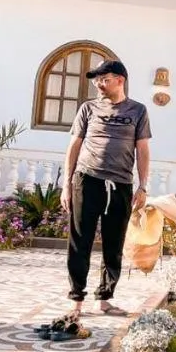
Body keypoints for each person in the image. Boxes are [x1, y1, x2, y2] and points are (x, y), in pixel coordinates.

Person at [61, 59, 151, 321]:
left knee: (114, 245)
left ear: (120, 80)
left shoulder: (138, 111)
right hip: (87, 180)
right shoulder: (88, 108)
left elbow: (142, 150)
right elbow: (74, 146)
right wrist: (66, 184)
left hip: (121, 185)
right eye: (96, 80)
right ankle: (76, 299)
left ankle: (105, 299)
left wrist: (143, 185)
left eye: (104, 79)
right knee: (80, 242)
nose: (98, 84)